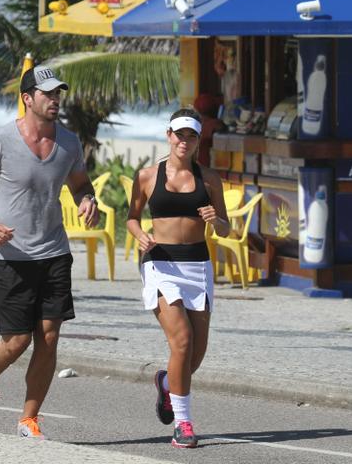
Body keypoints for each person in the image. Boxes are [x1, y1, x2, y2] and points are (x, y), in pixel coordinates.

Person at [0, 64, 99, 438]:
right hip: (10, 257)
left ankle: (29, 418)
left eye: (58, 94)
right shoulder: (0, 141)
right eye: (48, 94)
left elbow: (81, 184)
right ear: (27, 99)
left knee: (50, 337)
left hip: (53, 251)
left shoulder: (68, 143)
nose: (55, 100)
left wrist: (88, 200)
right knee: (17, 341)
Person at [127, 107, 230, 448]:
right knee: (182, 341)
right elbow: (131, 217)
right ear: (168, 135)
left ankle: (168, 386)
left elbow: (227, 226)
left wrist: (216, 219)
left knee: (195, 353)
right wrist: (139, 234)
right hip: (160, 264)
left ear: (198, 140)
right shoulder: (147, 176)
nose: (184, 141)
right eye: (179, 134)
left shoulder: (209, 178)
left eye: (191, 136)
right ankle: (183, 423)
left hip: (197, 265)